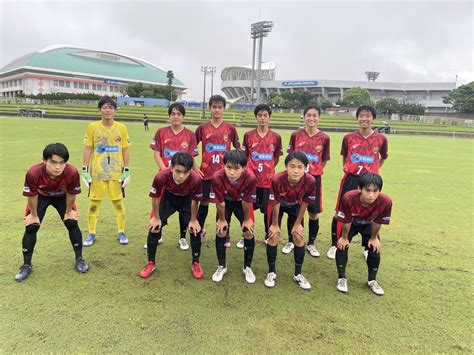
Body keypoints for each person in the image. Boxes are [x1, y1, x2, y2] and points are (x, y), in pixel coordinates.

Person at [14, 143, 88, 282]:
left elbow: (72, 194)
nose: (58, 167)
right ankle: (26, 265)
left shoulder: (71, 172)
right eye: (53, 162)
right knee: (31, 226)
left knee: (72, 222)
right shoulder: (33, 173)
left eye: (61, 163)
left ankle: (79, 259)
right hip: (41, 196)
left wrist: (68, 212)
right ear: (44, 160)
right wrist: (34, 215)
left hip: (62, 196)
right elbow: (32, 196)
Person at [327, 105, 388, 260]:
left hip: (370, 183)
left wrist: (374, 170)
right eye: (361, 116)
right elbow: (345, 156)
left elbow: (384, 157)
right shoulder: (349, 137)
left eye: (368, 116)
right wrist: (348, 168)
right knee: (339, 212)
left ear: (373, 118)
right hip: (351, 178)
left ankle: (368, 246)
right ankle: (335, 244)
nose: (364, 119)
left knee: (372, 213)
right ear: (357, 118)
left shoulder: (381, 139)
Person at [139, 152, 204, 279]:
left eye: (185, 172)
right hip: (168, 198)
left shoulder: (196, 179)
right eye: (178, 171)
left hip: (186, 200)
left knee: (195, 229)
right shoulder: (161, 176)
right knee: (154, 227)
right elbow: (155, 197)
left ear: (190, 170)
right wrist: (156, 217)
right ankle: (150, 263)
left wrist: (194, 219)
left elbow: (195, 200)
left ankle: (196, 263)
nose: (181, 176)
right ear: (171, 167)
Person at [81, 96, 131, 246]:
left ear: (115, 110)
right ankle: (91, 233)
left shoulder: (121, 128)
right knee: (94, 204)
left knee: (118, 204)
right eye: (104, 107)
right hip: (97, 173)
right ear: (100, 110)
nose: (107, 110)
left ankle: (121, 231)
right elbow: (88, 148)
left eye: (110, 107)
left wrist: (126, 170)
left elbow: (125, 149)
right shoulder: (92, 127)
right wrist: (85, 169)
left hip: (116, 173)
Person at [148, 102, 199, 250]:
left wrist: (195, 169)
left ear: (183, 116)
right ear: (169, 116)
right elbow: (156, 153)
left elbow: (191, 157)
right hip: (166, 176)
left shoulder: (190, 134)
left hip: (184, 178)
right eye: (173, 114)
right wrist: (166, 171)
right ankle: (157, 234)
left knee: (185, 208)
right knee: (159, 205)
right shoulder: (161, 132)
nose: (176, 117)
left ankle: (183, 238)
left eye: (179, 114)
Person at [265, 151, 316, 290]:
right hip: (278, 207)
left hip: (295, 207)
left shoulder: (310, 180)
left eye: (300, 167)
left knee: (298, 237)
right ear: (286, 167)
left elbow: (305, 202)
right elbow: (275, 203)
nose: (295, 170)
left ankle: (298, 274)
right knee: (273, 236)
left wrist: (298, 223)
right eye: (292, 166)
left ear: (305, 168)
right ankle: (271, 272)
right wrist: (275, 224)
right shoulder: (277, 179)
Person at [335, 173, 392, 296]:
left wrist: (374, 238)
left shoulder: (386, 202)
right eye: (367, 190)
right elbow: (347, 221)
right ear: (359, 189)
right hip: (351, 224)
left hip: (369, 225)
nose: (371, 195)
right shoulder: (348, 198)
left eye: (375, 191)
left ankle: (372, 280)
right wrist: (344, 238)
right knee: (341, 245)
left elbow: (378, 222)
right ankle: (342, 278)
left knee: (375, 248)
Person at [195, 95, 240, 243]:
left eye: (220, 107)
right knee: (205, 202)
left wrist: (236, 170)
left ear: (224, 108)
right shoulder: (202, 128)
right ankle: (200, 229)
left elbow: (239, 151)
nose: (217, 110)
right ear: (209, 108)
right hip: (206, 174)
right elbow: (190, 148)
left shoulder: (230, 128)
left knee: (224, 204)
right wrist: (195, 167)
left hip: (225, 176)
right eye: (214, 107)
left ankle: (224, 232)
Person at [286, 106, 330, 257]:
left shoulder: (324, 138)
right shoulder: (296, 135)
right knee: (295, 210)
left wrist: (314, 171)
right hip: (297, 178)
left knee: (313, 212)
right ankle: (292, 240)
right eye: (308, 115)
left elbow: (324, 159)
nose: (311, 118)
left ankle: (311, 243)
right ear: (304, 117)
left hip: (314, 179)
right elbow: (290, 157)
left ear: (319, 118)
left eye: (314, 115)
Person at [209, 150, 257, 284]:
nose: (231, 173)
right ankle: (221, 266)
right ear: (223, 166)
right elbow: (220, 202)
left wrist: (247, 220)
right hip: (225, 203)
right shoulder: (217, 177)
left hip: (242, 204)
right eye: (228, 167)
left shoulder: (250, 178)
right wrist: (222, 220)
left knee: (249, 232)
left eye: (236, 169)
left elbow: (246, 201)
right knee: (221, 231)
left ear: (244, 168)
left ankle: (247, 267)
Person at [240, 103, 282, 248]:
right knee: (248, 208)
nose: (262, 118)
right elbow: (244, 157)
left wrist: (268, 169)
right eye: (260, 115)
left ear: (269, 117)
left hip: (268, 181)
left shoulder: (276, 137)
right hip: (251, 181)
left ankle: (267, 234)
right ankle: (246, 234)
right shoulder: (248, 135)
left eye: (265, 115)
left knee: (268, 210)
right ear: (256, 117)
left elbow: (276, 158)